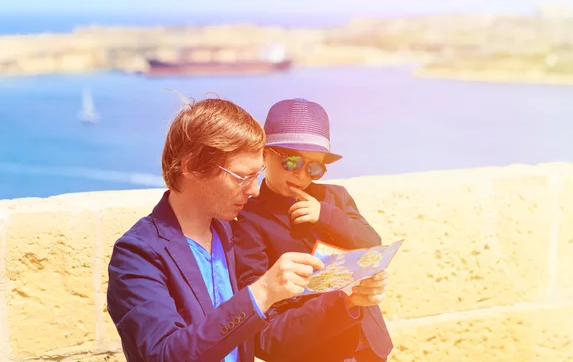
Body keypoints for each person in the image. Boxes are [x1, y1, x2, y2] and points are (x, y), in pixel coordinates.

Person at [106, 96, 327, 362]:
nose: (254, 190)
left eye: (255, 176)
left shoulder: (232, 232)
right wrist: (263, 291)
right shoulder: (137, 254)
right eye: (242, 177)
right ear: (191, 166)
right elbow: (165, 355)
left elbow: (265, 337)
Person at [233, 98, 394, 362]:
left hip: (366, 345)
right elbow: (263, 320)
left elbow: (372, 242)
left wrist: (326, 215)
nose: (302, 175)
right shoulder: (250, 220)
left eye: (315, 167)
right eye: (292, 161)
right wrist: (345, 300)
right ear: (264, 153)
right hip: (312, 348)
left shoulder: (334, 198)